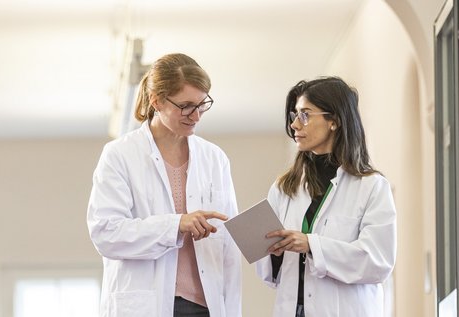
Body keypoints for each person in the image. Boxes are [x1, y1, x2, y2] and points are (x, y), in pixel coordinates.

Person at [87, 53, 242, 317]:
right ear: (157, 100)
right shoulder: (120, 155)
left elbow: (228, 244)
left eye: (202, 104)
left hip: (206, 305)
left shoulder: (214, 158)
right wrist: (176, 225)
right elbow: (106, 234)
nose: (196, 116)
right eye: (186, 106)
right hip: (147, 304)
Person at [255, 77, 397, 317]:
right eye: (295, 116)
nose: (295, 125)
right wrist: (273, 253)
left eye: (305, 115)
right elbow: (269, 275)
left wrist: (311, 245)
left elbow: (378, 261)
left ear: (334, 121)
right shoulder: (284, 188)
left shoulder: (371, 187)